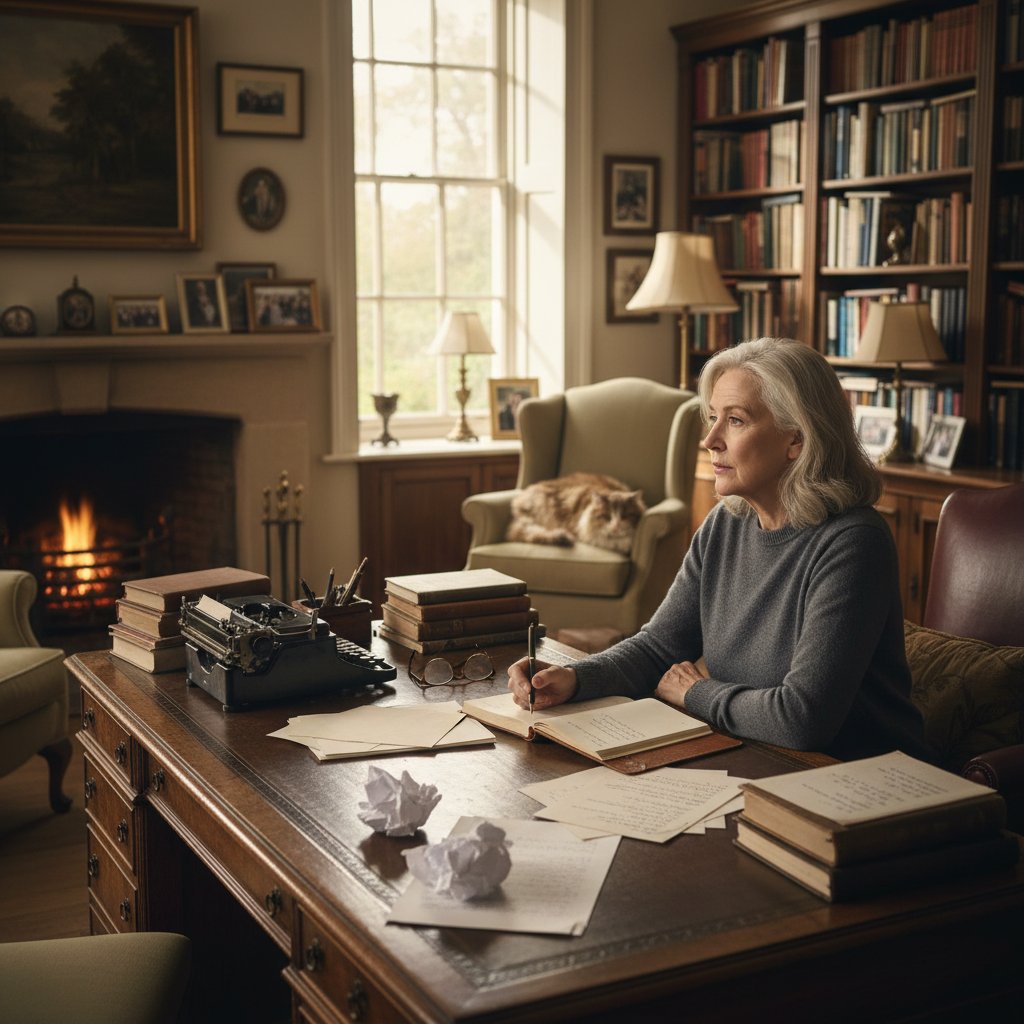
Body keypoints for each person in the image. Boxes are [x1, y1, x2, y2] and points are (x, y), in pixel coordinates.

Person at [508, 337, 931, 762]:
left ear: (796, 440)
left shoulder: (853, 542)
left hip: (856, 775)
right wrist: (572, 678)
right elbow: (658, 648)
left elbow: (802, 719)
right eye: (712, 418)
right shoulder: (726, 523)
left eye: (736, 421)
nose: (710, 439)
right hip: (752, 750)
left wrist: (694, 692)